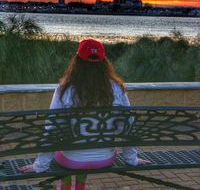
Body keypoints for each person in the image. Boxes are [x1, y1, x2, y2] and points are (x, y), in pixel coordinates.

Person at [18, 39, 150, 190]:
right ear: (104, 63)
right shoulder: (117, 89)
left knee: (62, 148)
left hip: (71, 160)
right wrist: (131, 159)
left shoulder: (64, 90)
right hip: (105, 159)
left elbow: (52, 130)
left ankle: (65, 187)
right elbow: (128, 126)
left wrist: (39, 166)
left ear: (77, 61)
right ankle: (80, 186)